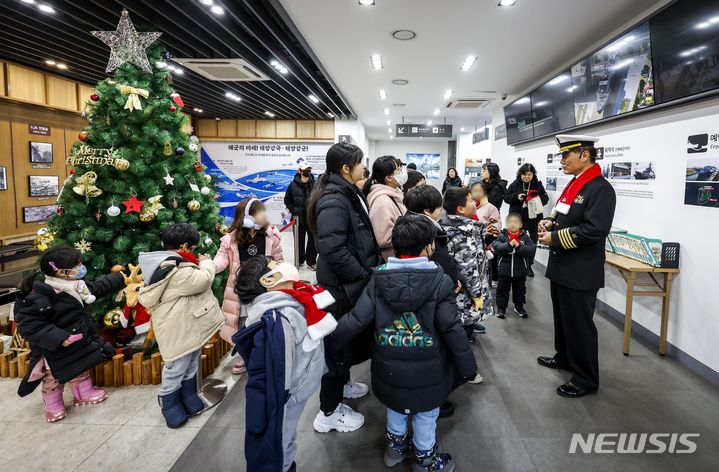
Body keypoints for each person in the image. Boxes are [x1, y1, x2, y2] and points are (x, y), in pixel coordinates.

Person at [331, 215, 478, 472]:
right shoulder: (440, 281)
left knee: (396, 408)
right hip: (429, 370)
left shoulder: (378, 279)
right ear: (429, 246)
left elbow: (356, 319)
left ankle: (395, 451)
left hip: (389, 368)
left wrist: (328, 339)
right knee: (425, 415)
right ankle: (425, 460)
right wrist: (468, 366)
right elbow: (451, 328)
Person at [233, 256, 338, 472]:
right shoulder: (277, 319)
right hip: (287, 399)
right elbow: (271, 383)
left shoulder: (295, 299)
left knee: (288, 437)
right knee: (279, 442)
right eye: (275, 266)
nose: (283, 265)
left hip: (297, 391)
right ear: (269, 280)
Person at [306, 142, 381, 433]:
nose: (365, 167)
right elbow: (334, 250)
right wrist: (363, 274)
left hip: (347, 285)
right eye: (361, 162)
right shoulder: (335, 199)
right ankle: (328, 412)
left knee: (347, 344)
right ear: (346, 168)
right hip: (342, 288)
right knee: (337, 346)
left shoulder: (345, 192)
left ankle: (344, 385)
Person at [537, 134, 616, 398]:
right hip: (563, 266)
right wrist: (549, 222)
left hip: (581, 270)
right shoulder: (576, 184)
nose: (562, 161)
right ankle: (565, 357)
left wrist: (556, 237)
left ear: (584, 155)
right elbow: (562, 211)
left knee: (580, 325)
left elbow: (595, 230)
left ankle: (585, 378)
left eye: (565, 155)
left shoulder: (600, 188)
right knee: (562, 319)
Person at [14, 246, 124, 422]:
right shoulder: (41, 296)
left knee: (80, 367)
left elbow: (98, 287)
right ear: (63, 272)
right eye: (77, 265)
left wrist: (120, 277)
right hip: (55, 348)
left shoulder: (76, 286)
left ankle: (83, 394)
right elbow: (29, 325)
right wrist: (59, 338)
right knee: (53, 378)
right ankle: (52, 404)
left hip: (78, 340)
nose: (81, 268)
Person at [138, 223, 225, 428]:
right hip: (178, 328)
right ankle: (168, 401)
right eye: (194, 248)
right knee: (177, 366)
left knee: (192, 360)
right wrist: (206, 262)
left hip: (187, 326)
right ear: (185, 246)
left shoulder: (168, 262)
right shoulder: (176, 268)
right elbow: (203, 280)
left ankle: (187, 395)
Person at [214, 198, 283, 375]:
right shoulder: (230, 239)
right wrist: (210, 267)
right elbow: (221, 258)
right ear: (247, 217)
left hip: (264, 287)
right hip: (240, 289)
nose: (264, 215)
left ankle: (264, 354)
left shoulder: (271, 236)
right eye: (259, 212)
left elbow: (279, 260)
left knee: (264, 319)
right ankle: (245, 356)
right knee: (243, 322)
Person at [441, 187, 498, 341]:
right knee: (462, 333)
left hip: (459, 293)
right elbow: (468, 269)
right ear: (460, 209)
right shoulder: (463, 233)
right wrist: (477, 295)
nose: (475, 202)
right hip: (467, 295)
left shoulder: (454, 226)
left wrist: (486, 236)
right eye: (471, 200)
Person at [504, 163, 549, 277]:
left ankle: (529, 265)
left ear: (533, 175)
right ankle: (517, 263)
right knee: (515, 239)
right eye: (524, 174)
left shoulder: (537, 185)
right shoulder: (515, 184)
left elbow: (545, 199)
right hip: (517, 217)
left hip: (533, 219)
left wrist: (535, 199)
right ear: (520, 174)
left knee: (532, 241)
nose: (526, 177)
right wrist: (517, 196)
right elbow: (506, 198)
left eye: (529, 174)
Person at [492, 213, 536, 319]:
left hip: (520, 271)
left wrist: (519, 246)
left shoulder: (525, 237)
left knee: (520, 290)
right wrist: (508, 245)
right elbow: (496, 246)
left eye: (515, 222)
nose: (512, 224)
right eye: (510, 222)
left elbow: (531, 249)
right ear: (506, 224)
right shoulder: (502, 236)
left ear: (520, 225)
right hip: (504, 270)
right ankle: (501, 308)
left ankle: (519, 307)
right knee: (502, 289)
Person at [364, 155, 407, 261]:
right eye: (398, 170)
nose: (402, 172)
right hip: (391, 258)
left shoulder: (395, 193)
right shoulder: (383, 202)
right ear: (388, 178)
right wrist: (410, 233)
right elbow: (384, 239)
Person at [284, 160, 317, 270]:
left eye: (309, 170)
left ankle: (311, 262)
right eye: (305, 170)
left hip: (311, 217)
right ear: (299, 171)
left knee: (313, 240)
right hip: (298, 219)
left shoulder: (315, 183)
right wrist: (294, 211)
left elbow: (318, 198)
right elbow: (287, 199)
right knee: (299, 240)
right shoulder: (293, 184)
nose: (308, 172)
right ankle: (299, 261)